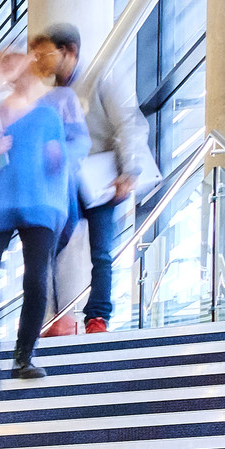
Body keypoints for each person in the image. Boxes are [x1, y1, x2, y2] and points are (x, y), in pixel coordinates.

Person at [33, 21, 152, 334]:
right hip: (65, 185)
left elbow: (128, 123)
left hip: (101, 181)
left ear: (68, 51)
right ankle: (58, 317)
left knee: (101, 252)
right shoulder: (49, 97)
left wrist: (129, 170)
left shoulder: (102, 77)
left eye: (45, 54)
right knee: (51, 249)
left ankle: (97, 317)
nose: (40, 62)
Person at [0, 46, 73, 385]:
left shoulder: (49, 114)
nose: (8, 65)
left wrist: (56, 160)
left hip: (39, 205)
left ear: (28, 62)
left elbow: (61, 165)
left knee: (36, 279)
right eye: (1, 62)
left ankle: (24, 353)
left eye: (13, 57)